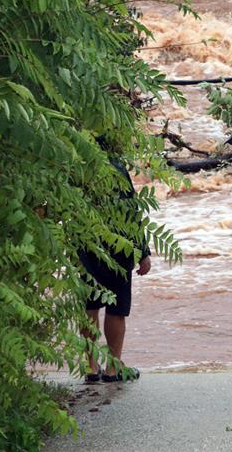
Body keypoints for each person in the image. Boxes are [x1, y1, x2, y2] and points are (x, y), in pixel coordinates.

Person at [80, 145, 151, 383]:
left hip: (84, 240)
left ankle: (90, 366)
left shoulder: (74, 160)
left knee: (90, 305)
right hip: (117, 244)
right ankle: (113, 368)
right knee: (116, 306)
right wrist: (143, 251)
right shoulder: (115, 165)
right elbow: (130, 210)